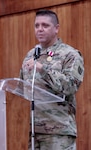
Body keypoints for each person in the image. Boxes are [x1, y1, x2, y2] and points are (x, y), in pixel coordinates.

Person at [19, 9, 84, 150]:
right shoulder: (31, 55)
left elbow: (70, 86)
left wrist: (43, 70)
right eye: (36, 26)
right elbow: (21, 88)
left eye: (45, 25)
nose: (40, 29)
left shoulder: (70, 54)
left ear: (56, 28)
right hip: (34, 130)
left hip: (59, 131)